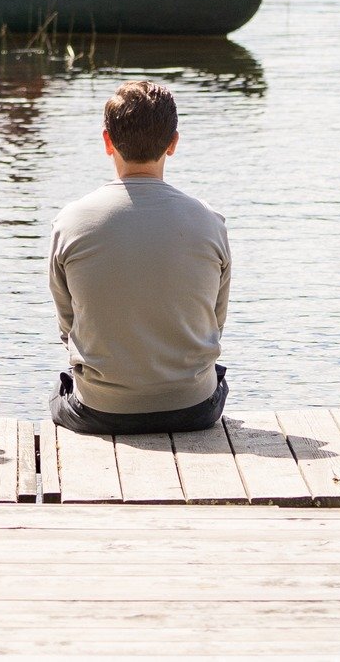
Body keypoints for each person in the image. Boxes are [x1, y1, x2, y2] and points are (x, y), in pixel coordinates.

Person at [47, 80, 231, 436]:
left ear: (106, 141)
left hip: (103, 409)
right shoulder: (210, 222)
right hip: (194, 408)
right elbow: (214, 323)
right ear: (173, 143)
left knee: (58, 391)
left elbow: (68, 327)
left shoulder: (70, 221)